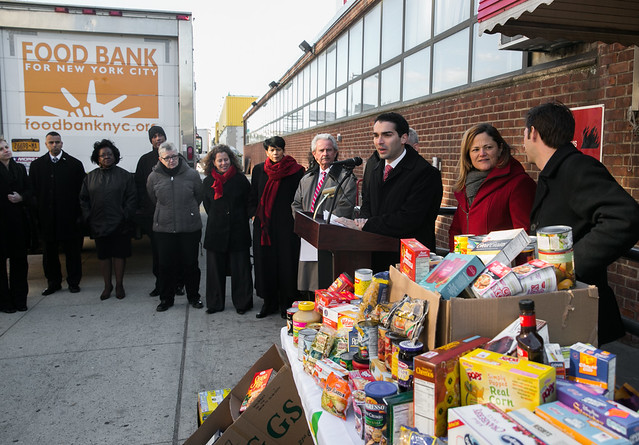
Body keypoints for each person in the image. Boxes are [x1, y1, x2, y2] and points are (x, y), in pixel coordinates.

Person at [524, 101, 639, 345]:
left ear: (532, 132)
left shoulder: (576, 168)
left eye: (524, 134)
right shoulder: (554, 172)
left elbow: (625, 217)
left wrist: (570, 265)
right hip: (563, 306)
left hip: (581, 311)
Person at [353, 112, 442, 272]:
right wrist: (361, 222)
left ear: (403, 138)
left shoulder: (425, 173)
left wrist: (367, 225)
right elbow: (367, 201)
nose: (379, 141)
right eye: (376, 135)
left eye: (387, 135)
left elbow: (409, 219)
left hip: (408, 263)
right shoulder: (374, 167)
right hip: (374, 256)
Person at [448, 123, 536, 250]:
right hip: (469, 266)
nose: (482, 153)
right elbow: (456, 230)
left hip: (501, 267)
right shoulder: (465, 187)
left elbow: (525, 237)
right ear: (468, 155)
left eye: (488, 147)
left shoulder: (518, 183)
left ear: (500, 148)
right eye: (475, 149)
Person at [292, 133, 357, 295]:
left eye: (329, 150)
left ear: (335, 152)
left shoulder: (345, 178)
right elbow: (296, 205)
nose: (325, 154)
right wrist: (306, 225)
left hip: (331, 236)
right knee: (310, 281)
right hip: (309, 236)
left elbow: (345, 207)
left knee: (328, 282)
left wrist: (322, 227)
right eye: (321, 150)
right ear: (314, 154)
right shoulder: (306, 179)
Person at [249, 136, 304, 318]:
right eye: (272, 150)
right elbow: (253, 195)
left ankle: (286, 302)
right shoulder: (258, 170)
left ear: (283, 150)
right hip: (264, 226)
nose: (275, 153)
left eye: (278, 149)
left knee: (286, 263)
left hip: (287, 226)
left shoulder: (296, 171)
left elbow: (299, 199)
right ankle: (268, 302)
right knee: (265, 263)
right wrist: (253, 214)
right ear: (266, 151)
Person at [147, 142, 203, 312]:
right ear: (160, 159)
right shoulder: (153, 177)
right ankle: (166, 299)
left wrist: (189, 212)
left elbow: (198, 196)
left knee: (190, 265)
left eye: (174, 156)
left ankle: (194, 296)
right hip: (164, 229)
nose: (171, 160)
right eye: (167, 157)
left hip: (189, 228)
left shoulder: (192, 175)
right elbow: (153, 198)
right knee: (165, 266)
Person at [29, 131, 85, 295]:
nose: (55, 145)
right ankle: (53, 283)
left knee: (72, 254)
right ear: (46, 144)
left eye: (57, 142)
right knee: (50, 255)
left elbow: (82, 193)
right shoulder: (37, 166)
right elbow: (33, 192)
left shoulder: (74, 164)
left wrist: (80, 216)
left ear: (62, 143)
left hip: (69, 219)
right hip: (47, 220)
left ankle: (74, 282)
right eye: (51, 142)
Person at [80, 140, 137, 301]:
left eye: (110, 154)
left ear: (115, 156)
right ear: (97, 158)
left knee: (119, 255)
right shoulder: (90, 177)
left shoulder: (125, 176)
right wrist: (88, 216)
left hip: (120, 224)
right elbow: (83, 199)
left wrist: (125, 215)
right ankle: (107, 285)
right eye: (103, 155)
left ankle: (119, 284)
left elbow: (132, 198)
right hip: (99, 223)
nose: (107, 157)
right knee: (103, 256)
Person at [201, 145, 253, 315]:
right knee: (215, 271)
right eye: (220, 160)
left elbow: (248, 202)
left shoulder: (240, 180)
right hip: (216, 232)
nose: (223, 163)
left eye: (226, 160)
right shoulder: (208, 181)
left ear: (231, 160)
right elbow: (208, 206)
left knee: (241, 270)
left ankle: (243, 303)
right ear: (213, 163)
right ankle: (215, 303)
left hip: (238, 230)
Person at [0, 139, 31, 313]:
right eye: (1, 149)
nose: (6, 151)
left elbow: (29, 190)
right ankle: (5, 302)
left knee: (20, 261)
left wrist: (22, 197)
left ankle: (20, 300)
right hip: (1, 224)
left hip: (18, 222)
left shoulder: (19, 169)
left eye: (6, 147)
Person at [134, 125, 165, 297]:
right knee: (157, 252)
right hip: (153, 215)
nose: (158, 138)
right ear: (151, 140)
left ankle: (178, 283)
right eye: (154, 136)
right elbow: (139, 185)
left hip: (172, 215)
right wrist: (143, 207)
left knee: (173, 252)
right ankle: (159, 284)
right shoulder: (145, 160)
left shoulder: (175, 157)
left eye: (160, 135)